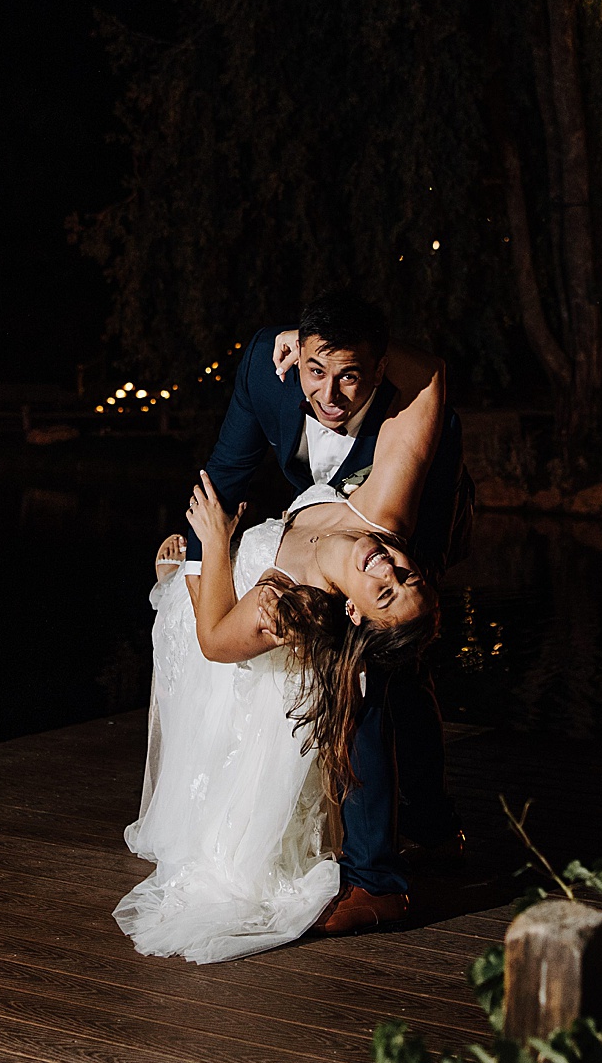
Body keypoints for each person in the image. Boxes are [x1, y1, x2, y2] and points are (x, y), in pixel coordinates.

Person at [113, 353, 448, 966]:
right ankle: (427, 828)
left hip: (226, 611)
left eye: (385, 592)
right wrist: (341, 350)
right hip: (236, 585)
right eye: (408, 575)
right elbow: (428, 374)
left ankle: (380, 875)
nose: (391, 569)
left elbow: (217, 643)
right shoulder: (381, 518)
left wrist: (211, 549)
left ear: (355, 612)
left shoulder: (296, 606)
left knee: (201, 640)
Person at [182, 291, 466, 934]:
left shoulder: (386, 529)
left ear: (378, 368)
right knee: (395, 676)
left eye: (351, 376)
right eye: (316, 372)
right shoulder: (268, 362)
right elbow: (222, 479)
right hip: (313, 540)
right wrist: (203, 562)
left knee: (368, 683)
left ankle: (378, 882)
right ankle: (431, 825)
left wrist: (391, 587)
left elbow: (428, 376)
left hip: (415, 519)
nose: (330, 396)